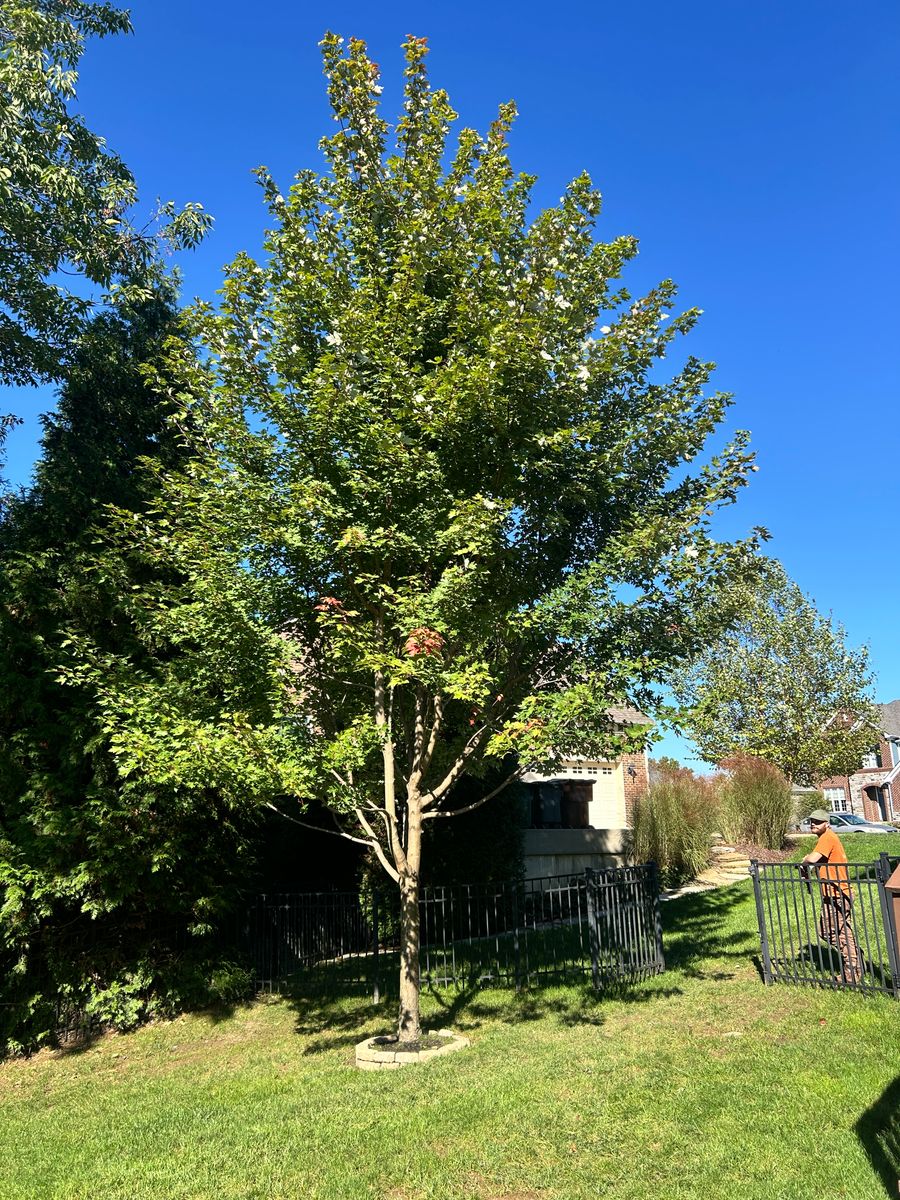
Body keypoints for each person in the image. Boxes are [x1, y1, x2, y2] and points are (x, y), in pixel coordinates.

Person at [801, 808, 861, 983]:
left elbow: (812, 859)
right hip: (835, 894)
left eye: (818, 822)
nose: (813, 824)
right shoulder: (826, 838)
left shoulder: (827, 837)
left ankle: (853, 967)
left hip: (837, 894)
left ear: (827, 824)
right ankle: (854, 964)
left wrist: (805, 859)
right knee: (837, 931)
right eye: (812, 821)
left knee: (830, 932)